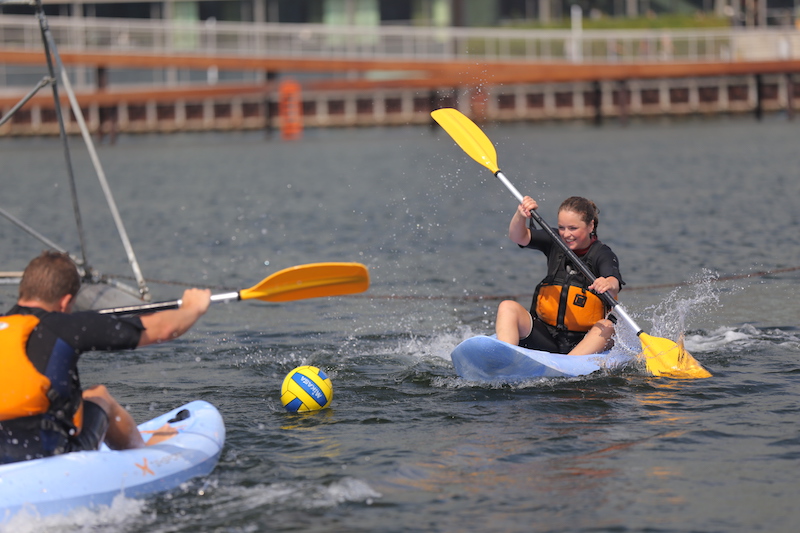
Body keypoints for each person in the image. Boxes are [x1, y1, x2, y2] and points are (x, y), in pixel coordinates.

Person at [0, 251, 211, 464]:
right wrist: (192, 308)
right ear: (65, 302)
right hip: (50, 455)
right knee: (98, 395)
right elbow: (163, 329)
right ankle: (144, 457)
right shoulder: (65, 325)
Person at [495, 196, 623, 356]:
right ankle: (506, 358)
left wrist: (607, 284)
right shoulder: (555, 240)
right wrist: (521, 215)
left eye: (573, 228)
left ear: (591, 226)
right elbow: (518, 236)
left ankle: (568, 364)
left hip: (585, 341)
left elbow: (614, 281)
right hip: (547, 337)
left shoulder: (602, 254)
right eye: (562, 227)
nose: (566, 234)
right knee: (507, 307)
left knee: (608, 326)